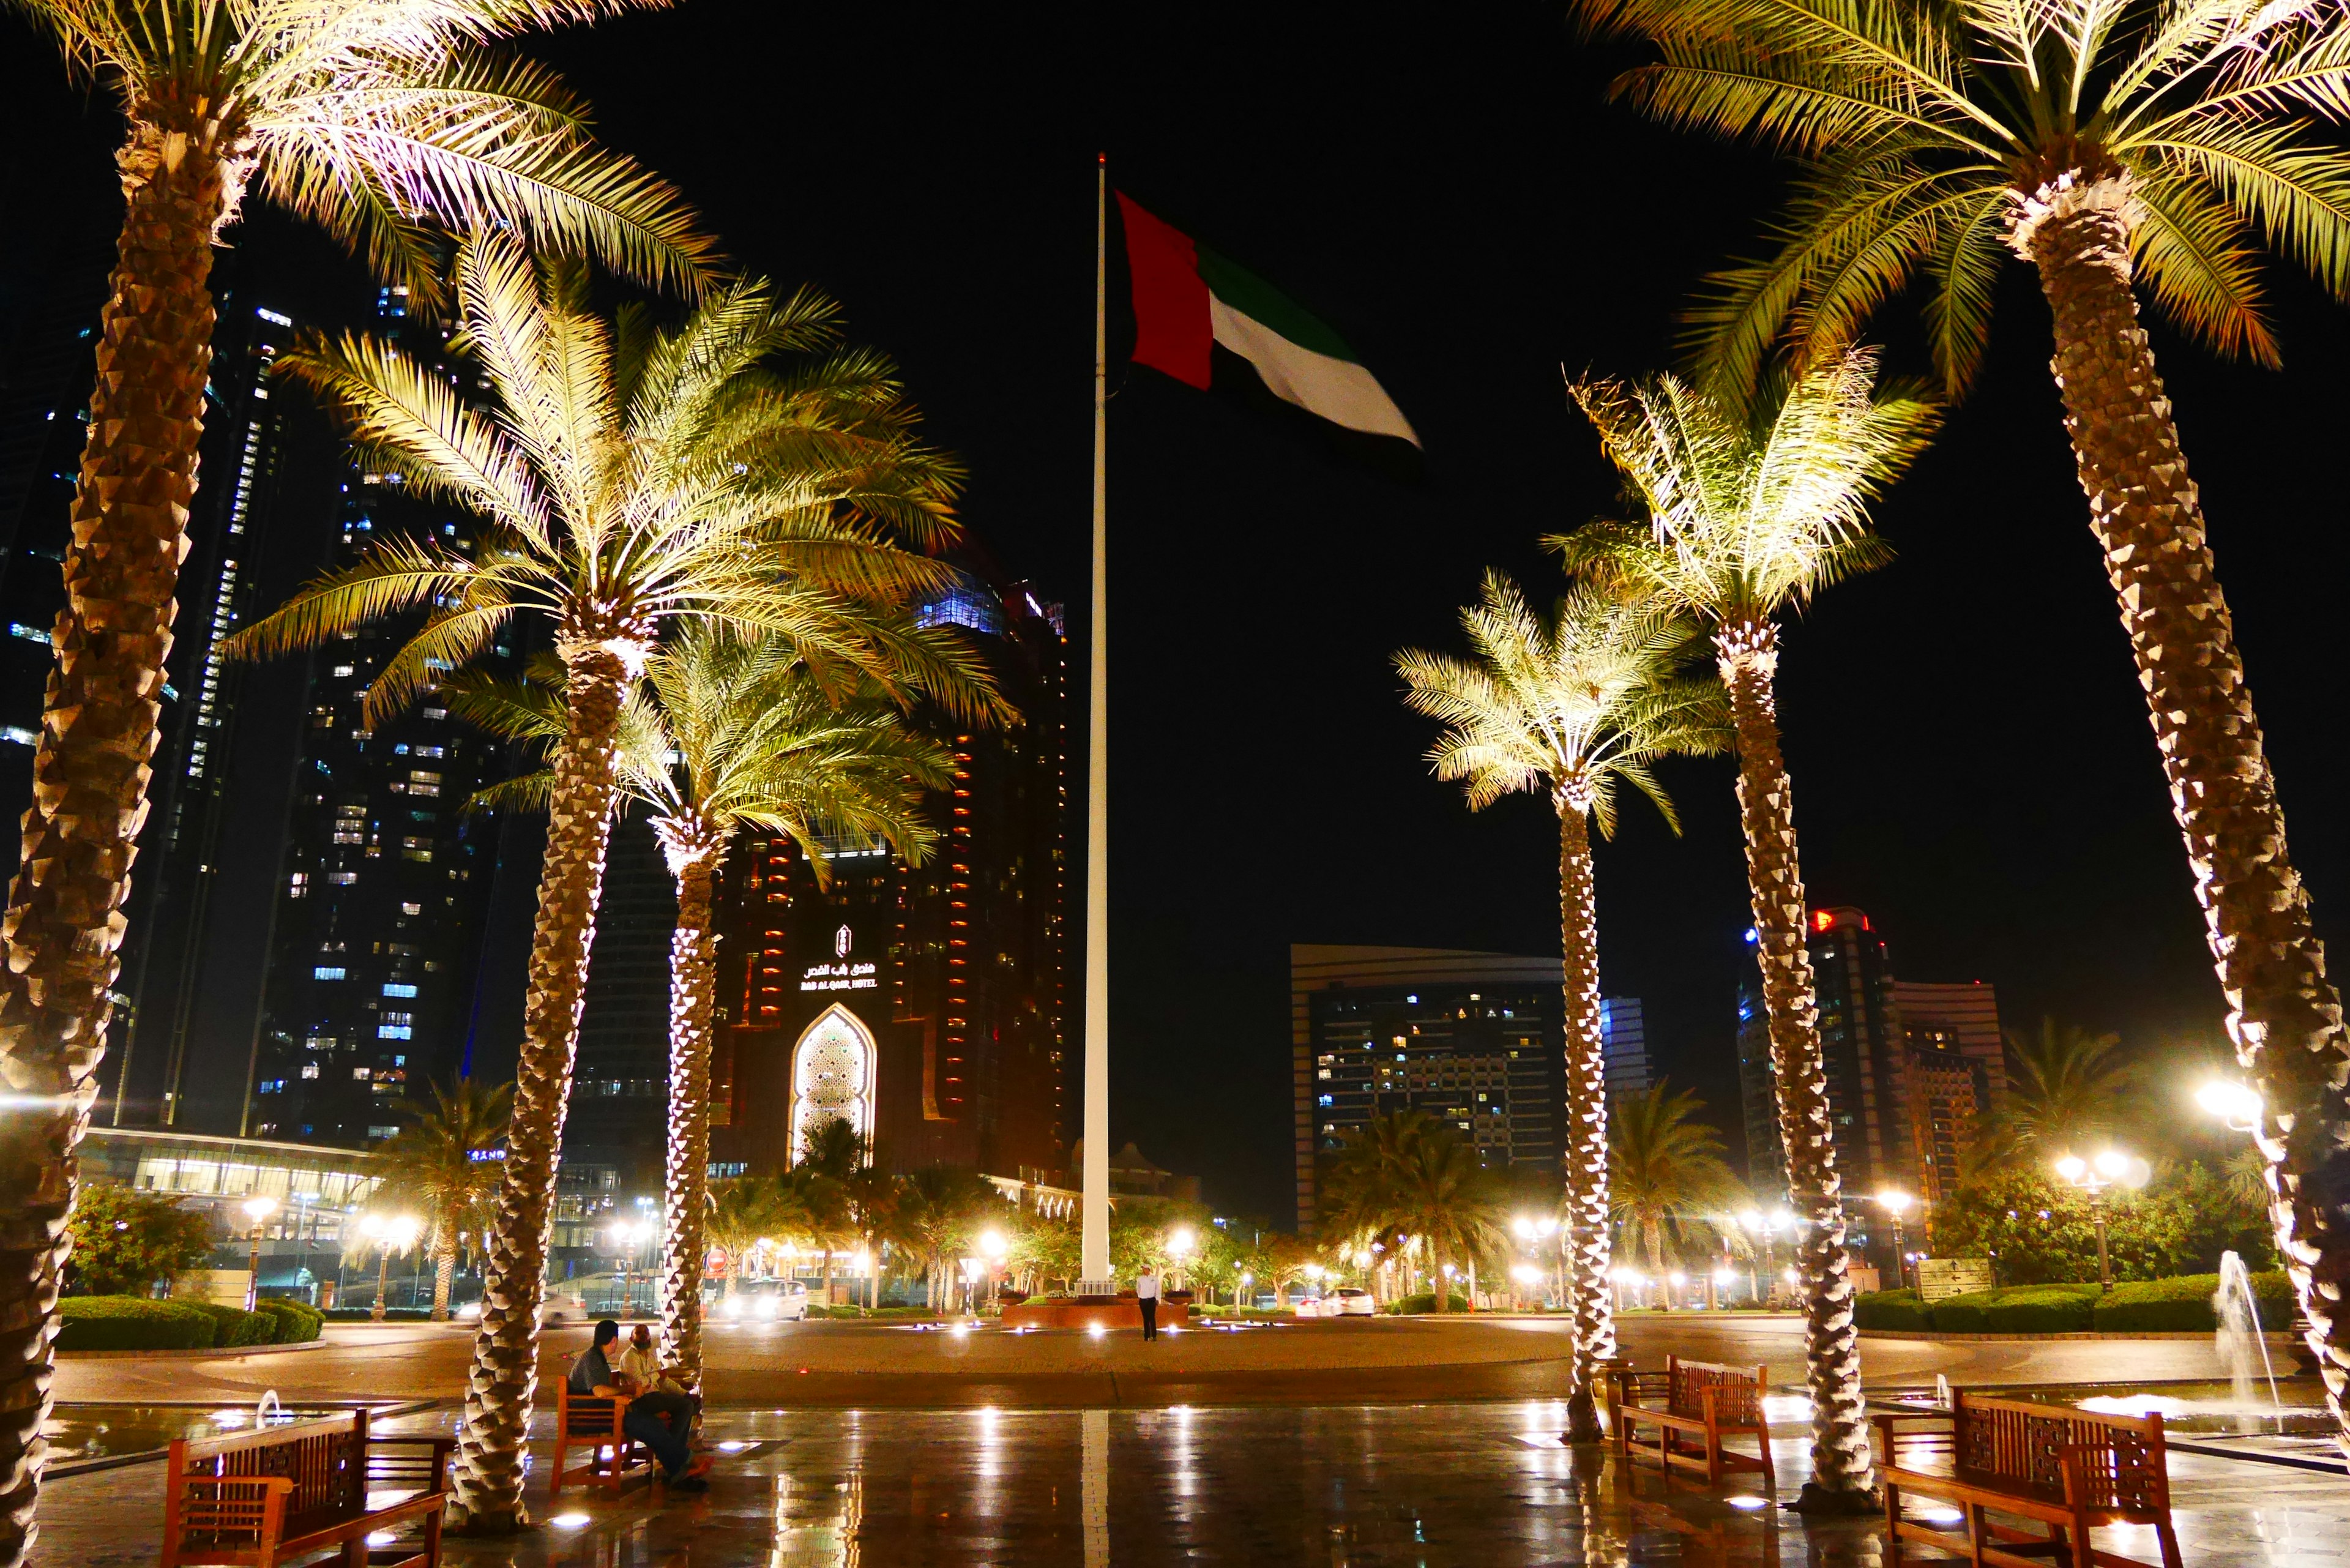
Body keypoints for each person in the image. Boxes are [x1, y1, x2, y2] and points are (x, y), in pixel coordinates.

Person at [568, 1320, 707, 1493]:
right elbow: (600, 1392)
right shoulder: (592, 1359)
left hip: (605, 1413)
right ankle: (686, 1460)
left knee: (654, 1425)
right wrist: (628, 1390)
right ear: (613, 1340)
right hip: (593, 1417)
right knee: (649, 1426)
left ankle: (678, 1471)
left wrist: (624, 1394)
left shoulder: (598, 1358)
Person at [617, 1321, 704, 1439]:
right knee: (686, 1406)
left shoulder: (651, 1357)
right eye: (639, 1333)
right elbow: (638, 1383)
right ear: (631, 1339)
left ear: (649, 1337)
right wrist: (657, 1375)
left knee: (694, 1403)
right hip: (640, 1401)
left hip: (655, 1397)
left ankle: (674, 1445)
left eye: (646, 1332)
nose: (643, 1335)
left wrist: (685, 1394)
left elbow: (665, 1381)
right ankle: (672, 1448)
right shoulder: (629, 1357)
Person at [1135, 1266, 1160, 1342]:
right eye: (1143, 1269)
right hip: (1143, 1300)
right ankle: (1147, 1336)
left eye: (1145, 1269)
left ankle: (1154, 1335)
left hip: (1152, 1299)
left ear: (1149, 1269)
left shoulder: (1154, 1278)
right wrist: (1140, 1296)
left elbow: (1158, 1288)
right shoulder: (1140, 1279)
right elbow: (1138, 1288)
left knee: (1152, 1317)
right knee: (1146, 1318)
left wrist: (1158, 1298)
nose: (1144, 1270)